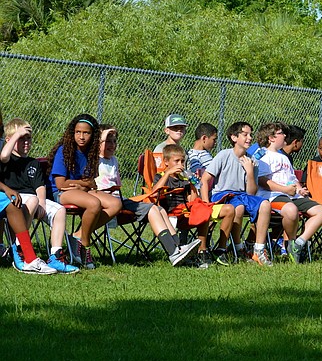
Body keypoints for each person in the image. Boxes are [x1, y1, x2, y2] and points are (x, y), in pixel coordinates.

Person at [96, 125, 201, 266]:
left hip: (118, 199)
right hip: (103, 200)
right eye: (108, 141)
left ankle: (178, 248)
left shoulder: (113, 160)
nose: (112, 145)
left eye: (114, 141)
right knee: (153, 209)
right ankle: (173, 252)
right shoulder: (94, 159)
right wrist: (104, 134)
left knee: (159, 210)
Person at [1, 117, 77, 272]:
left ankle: (55, 255)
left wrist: (42, 202)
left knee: (59, 210)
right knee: (33, 200)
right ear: (9, 140)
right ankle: (20, 248)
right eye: (21, 139)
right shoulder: (6, 160)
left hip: (33, 198)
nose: (26, 142)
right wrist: (15, 135)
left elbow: (40, 187)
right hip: (14, 199)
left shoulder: (33, 163)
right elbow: (3, 156)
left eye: (28, 138)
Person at [49, 113, 122, 269]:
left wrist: (83, 185)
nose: (81, 136)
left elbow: (91, 182)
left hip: (81, 190)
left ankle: (77, 236)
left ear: (93, 135)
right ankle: (85, 244)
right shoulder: (65, 150)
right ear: (72, 133)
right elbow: (61, 183)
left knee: (115, 204)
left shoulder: (91, 153)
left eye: (86, 133)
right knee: (94, 204)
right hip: (61, 193)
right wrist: (82, 184)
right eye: (78, 132)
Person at [151, 144, 237, 268]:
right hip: (172, 216)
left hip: (190, 212)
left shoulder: (184, 178)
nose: (180, 165)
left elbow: (193, 200)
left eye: (182, 161)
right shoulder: (161, 177)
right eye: (176, 161)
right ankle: (202, 251)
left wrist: (192, 184)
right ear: (166, 162)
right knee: (202, 211)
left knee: (228, 209)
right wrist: (167, 174)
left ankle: (220, 250)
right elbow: (154, 193)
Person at [200, 121, 273, 266]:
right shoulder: (224, 155)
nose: (249, 138)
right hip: (223, 194)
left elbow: (251, 192)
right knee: (238, 207)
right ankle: (238, 248)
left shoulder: (252, 161)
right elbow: (205, 179)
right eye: (245, 134)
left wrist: (250, 172)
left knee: (265, 204)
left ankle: (258, 250)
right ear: (234, 138)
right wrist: (206, 203)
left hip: (243, 195)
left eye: (250, 135)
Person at [256, 123, 322, 264]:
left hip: (292, 195)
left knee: (321, 211)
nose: (285, 136)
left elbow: (291, 179)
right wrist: (285, 190)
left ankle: (298, 244)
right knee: (291, 210)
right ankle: (291, 242)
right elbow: (262, 180)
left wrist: (299, 188)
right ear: (271, 138)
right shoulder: (264, 155)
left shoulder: (283, 157)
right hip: (272, 196)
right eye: (281, 133)